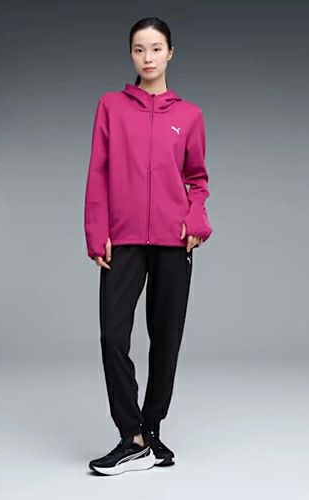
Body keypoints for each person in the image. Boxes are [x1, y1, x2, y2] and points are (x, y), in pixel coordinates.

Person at [84, 17, 213, 476]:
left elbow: (197, 180)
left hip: (174, 241)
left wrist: (196, 218)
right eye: (139, 49)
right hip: (122, 239)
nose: (148, 57)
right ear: (131, 54)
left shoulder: (189, 115)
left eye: (156, 48)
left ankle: (150, 430)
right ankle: (131, 435)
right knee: (112, 336)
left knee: (166, 337)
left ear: (170, 53)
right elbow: (98, 172)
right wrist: (95, 232)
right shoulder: (111, 106)